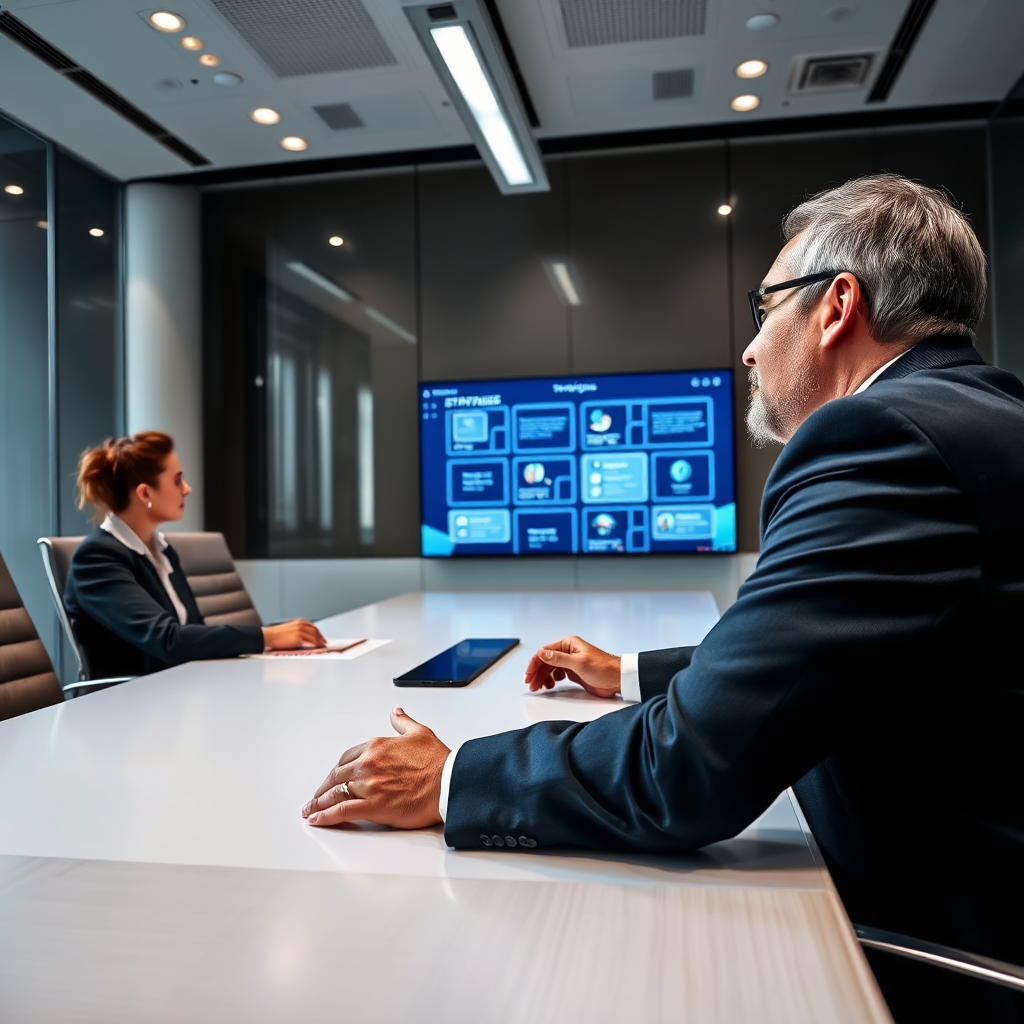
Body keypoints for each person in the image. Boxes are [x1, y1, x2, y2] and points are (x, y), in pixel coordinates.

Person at [302, 176, 1024, 1021]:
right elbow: (860, 649)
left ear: (835, 307)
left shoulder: (877, 436)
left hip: (948, 940)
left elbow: (691, 767)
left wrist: (455, 776)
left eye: (764, 309)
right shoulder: (982, 412)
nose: (751, 349)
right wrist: (633, 670)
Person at [65, 431, 325, 677]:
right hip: (129, 706)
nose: (186, 489)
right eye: (177, 480)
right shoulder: (97, 558)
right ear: (145, 493)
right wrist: (266, 637)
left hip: (180, 689)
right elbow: (166, 640)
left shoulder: (163, 551)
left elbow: (194, 632)